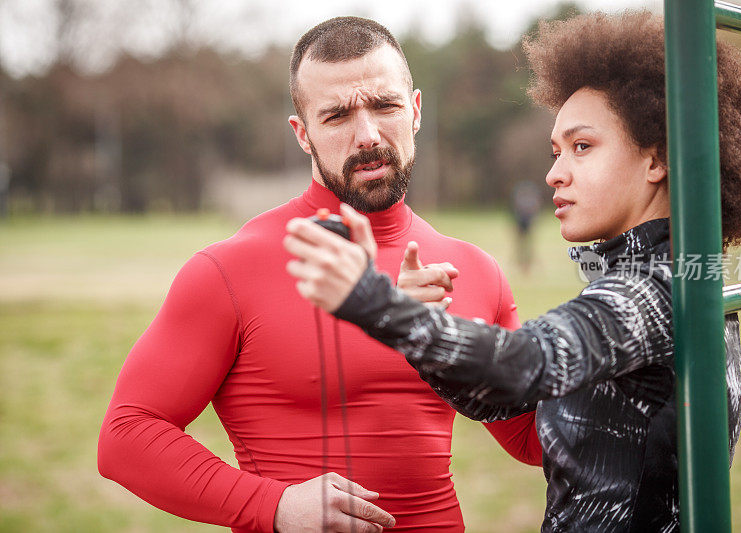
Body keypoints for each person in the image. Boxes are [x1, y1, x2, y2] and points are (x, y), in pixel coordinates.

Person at [284, 11, 741, 532]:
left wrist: (374, 302)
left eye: (582, 147)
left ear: (656, 159)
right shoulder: (669, 272)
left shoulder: (656, 287)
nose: (554, 172)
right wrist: (413, 323)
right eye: (555, 150)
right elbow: (508, 398)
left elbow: (526, 361)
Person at [97, 16, 541, 533]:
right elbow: (125, 437)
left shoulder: (475, 271)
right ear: (302, 134)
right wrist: (275, 505)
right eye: (336, 116)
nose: (368, 135)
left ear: (415, 110)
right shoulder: (229, 270)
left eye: (385, 105)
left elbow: (532, 440)